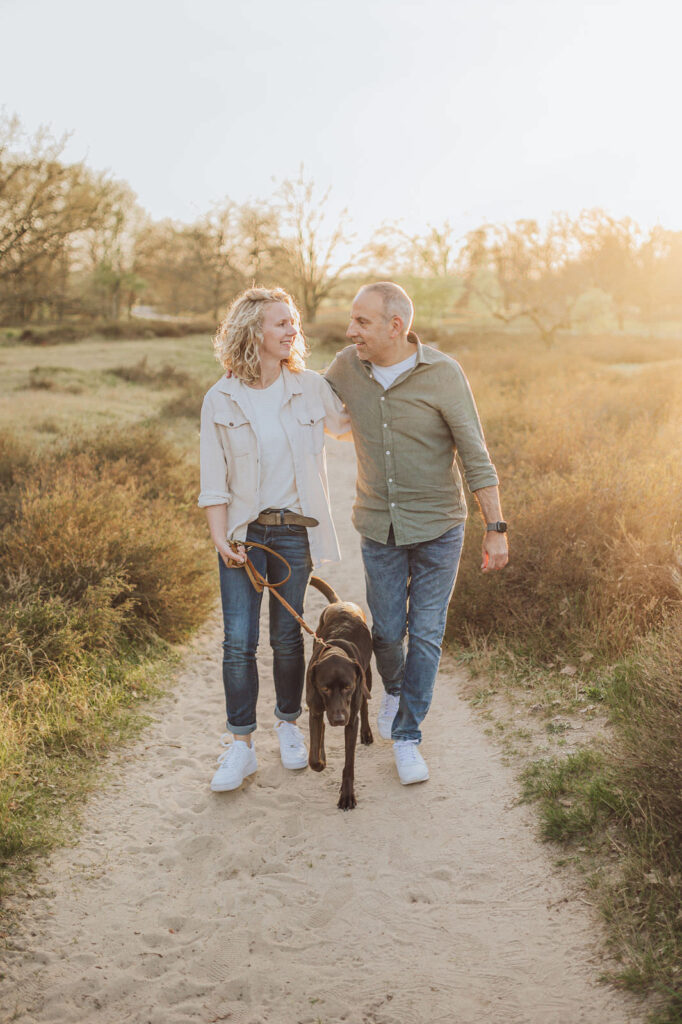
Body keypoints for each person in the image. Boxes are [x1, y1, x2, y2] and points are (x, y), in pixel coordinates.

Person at [325, 282, 508, 786]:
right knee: (386, 632)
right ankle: (396, 688)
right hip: (378, 527)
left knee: (425, 634)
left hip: (439, 529)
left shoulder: (443, 375)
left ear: (395, 326)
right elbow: (302, 396)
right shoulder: (346, 367)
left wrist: (496, 528)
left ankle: (407, 735)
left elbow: (475, 454)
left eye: (361, 322)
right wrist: (248, 372)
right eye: (351, 321)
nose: (350, 330)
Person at [198, 287, 350, 793]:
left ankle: (288, 724)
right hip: (244, 536)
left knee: (286, 638)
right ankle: (240, 747)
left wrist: (359, 364)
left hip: (293, 534)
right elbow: (213, 478)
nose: (292, 331)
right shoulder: (219, 398)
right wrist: (222, 537)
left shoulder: (309, 387)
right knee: (238, 643)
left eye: (294, 323)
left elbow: (349, 427)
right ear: (252, 331)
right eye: (281, 323)